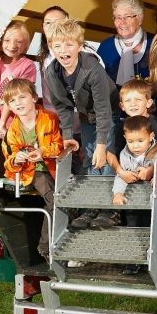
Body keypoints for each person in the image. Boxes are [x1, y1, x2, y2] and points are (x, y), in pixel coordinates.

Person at [43, 18, 121, 230]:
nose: (63, 50)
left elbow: (104, 109)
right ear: (51, 47)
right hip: (87, 117)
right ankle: (92, 206)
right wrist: (67, 135)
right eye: (57, 46)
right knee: (89, 159)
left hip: (108, 112)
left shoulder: (91, 68)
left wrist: (102, 144)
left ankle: (110, 209)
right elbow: (63, 106)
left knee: (104, 156)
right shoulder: (52, 73)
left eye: (69, 44)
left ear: (80, 45)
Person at [104, 79, 157, 273]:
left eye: (138, 99)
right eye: (128, 101)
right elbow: (111, 153)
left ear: (149, 102)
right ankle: (135, 258)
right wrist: (121, 172)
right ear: (121, 105)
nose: (133, 104)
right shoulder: (121, 127)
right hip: (132, 181)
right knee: (133, 219)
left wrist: (151, 171)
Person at [1, 78, 63, 264]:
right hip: (31, 172)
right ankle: (45, 247)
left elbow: (59, 146)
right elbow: (9, 161)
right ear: (9, 106)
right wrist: (17, 159)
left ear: (34, 97)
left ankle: (66, 243)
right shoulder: (12, 130)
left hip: (53, 167)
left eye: (22, 97)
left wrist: (42, 152)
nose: (18, 103)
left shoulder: (50, 119)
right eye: (12, 101)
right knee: (54, 199)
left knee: (68, 201)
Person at [0, 20, 36, 137]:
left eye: (18, 42)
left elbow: (17, 96)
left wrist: (2, 123)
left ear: (26, 45)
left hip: (21, 124)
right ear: (0, 42)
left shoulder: (27, 66)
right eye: (7, 40)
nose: (12, 45)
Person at [97, 0, 155, 86]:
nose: (122, 22)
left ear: (140, 18)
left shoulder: (156, 42)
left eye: (127, 16)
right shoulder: (105, 47)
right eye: (118, 17)